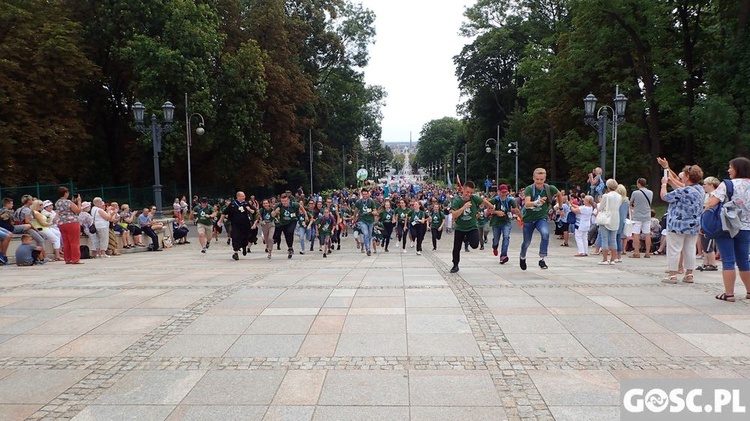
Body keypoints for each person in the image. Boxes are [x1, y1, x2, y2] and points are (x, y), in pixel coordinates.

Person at [705, 157, 750, 301]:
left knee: (728, 260)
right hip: (746, 227)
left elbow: (712, 203)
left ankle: (729, 294)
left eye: (730, 167)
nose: (728, 170)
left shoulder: (727, 184)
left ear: (737, 168)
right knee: (744, 260)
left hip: (727, 226)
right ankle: (749, 292)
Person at [659, 161, 704, 284]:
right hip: (693, 224)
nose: (681, 177)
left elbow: (665, 197)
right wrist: (672, 180)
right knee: (689, 249)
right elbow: (682, 190)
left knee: (674, 249)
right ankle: (689, 274)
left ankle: (672, 275)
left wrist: (664, 185)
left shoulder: (684, 191)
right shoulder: (699, 189)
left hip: (677, 225)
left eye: (683, 175)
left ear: (688, 177)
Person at [520, 168, 564, 270]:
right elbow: (527, 203)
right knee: (526, 241)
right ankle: (522, 256)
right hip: (529, 219)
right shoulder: (529, 189)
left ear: (545, 179)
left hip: (541, 218)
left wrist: (560, 207)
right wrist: (536, 202)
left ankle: (542, 258)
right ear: (533, 179)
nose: (539, 182)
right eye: (537, 179)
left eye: (541, 179)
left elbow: (559, 195)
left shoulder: (549, 188)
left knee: (545, 233)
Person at [449, 181, 495, 273]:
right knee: (456, 248)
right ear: (463, 190)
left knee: (474, 245)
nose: (469, 194)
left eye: (471, 192)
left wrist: (491, 207)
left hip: (472, 226)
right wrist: (463, 207)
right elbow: (454, 215)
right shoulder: (457, 201)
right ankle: (455, 265)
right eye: (467, 192)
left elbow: (484, 201)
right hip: (460, 227)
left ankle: (467, 238)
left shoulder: (474, 198)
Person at [220, 191, 257, 261]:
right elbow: (224, 212)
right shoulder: (233, 204)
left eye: (244, 196)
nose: (244, 197)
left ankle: (244, 247)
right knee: (235, 237)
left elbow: (254, 211)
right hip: (235, 224)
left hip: (245, 224)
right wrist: (220, 221)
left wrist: (249, 209)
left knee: (245, 237)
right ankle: (236, 252)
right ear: (238, 197)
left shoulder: (246, 203)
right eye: (242, 196)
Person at [489, 184, 518, 264]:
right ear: (498, 192)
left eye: (505, 192)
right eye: (502, 192)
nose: (503, 194)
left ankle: (503, 255)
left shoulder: (510, 200)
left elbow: (516, 209)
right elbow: (488, 209)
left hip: (506, 222)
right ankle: (495, 246)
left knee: (506, 237)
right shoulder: (495, 200)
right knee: (496, 239)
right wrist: (496, 212)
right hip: (496, 222)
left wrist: (521, 218)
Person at [596, 179, 623, 265]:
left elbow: (600, 207)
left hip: (606, 217)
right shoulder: (619, 196)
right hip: (616, 217)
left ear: (608, 186)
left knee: (605, 239)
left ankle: (604, 259)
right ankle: (613, 259)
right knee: (613, 239)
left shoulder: (606, 196)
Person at [696, 177, 720, 272]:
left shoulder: (715, 195)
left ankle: (713, 263)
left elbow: (710, 207)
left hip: (709, 220)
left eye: (705, 184)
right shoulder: (706, 195)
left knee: (709, 242)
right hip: (704, 219)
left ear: (711, 185)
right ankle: (706, 262)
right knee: (704, 241)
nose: (703, 185)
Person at [55, 186, 82, 264]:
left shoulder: (57, 202)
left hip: (62, 223)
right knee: (74, 241)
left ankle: (67, 258)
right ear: (66, 193)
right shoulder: (68, 202)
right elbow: (77, 211)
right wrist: (79, 202)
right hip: (72, 222)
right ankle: (75, 259)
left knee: (66, 241)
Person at [274, 193, 306, 259]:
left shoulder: (293, 204)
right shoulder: (278, 205)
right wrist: (275, 212)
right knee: (287, 236)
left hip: (292, 220)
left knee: (290, 231)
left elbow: (301, 207)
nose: (284, 203)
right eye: (282, 201)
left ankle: (290, 247)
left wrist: (306, 215)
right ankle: (290, 248)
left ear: (288, 200)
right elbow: (272, 214)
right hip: (283, 222)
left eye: (285, 201)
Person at [629, 178, 654, 258]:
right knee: (647, 233)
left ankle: (637, 252)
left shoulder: (635, 193)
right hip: (647, 215)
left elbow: (631, 202)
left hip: (637, 215)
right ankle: (647, 252)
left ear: (639, 183)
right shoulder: (650, 192)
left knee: (636, 233)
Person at [353, 189, 378, 256]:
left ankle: (368, 247)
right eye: (363, 194)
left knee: (369, 235)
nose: (364, 195)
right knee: (365, 233)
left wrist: (372, 212)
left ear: (368, 194)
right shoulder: (359, 202)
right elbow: (356, 210)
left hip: (370, 220)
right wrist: (354, 217)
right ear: (361, 194)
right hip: (362, 220)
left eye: (366, 194)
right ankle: (368, 249)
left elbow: (375, 211)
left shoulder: (371, 202)